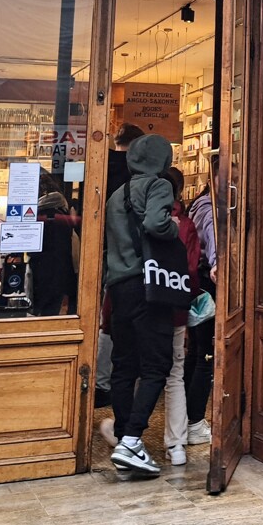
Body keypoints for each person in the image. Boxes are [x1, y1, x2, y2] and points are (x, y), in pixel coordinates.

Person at [103, 133, 180, 477]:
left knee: (124, 366)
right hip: (150, 286)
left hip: (118, 288)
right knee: (155, 366)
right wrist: (174, 227)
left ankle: (123, 437)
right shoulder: (159, 186)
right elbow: (155, 223)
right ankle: (132, 440)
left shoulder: (115, 194)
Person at [97, 123, 143, 407]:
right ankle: (116, 380)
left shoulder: (100, 166)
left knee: (105, 318)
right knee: (118, 321)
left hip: (101, 251)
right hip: (129, 259)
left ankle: (102, 382)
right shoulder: (137, 176)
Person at [159, 166, 201, 466]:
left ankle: (127, 436)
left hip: (142, 308)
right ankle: (176, 444)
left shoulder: (139, 217)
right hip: (174, 309)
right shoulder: (185, 225)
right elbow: (192, 271)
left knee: (140, 371)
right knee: (174, 373)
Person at [185, 178, 217, 447]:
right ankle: (194, 421)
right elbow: (213, 232)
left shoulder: (196, 205)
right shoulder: (209, 207)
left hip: (198, 284)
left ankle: (187, 419)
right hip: (208, 285)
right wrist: (218, 263)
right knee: (205, 355)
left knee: (197, 353)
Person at [28, 180, 80, 317]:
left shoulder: (36, 217)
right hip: (59, 271)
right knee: (51, 310)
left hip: (38, 269)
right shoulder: (63, 220)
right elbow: (70, 248)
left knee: (36, 308)